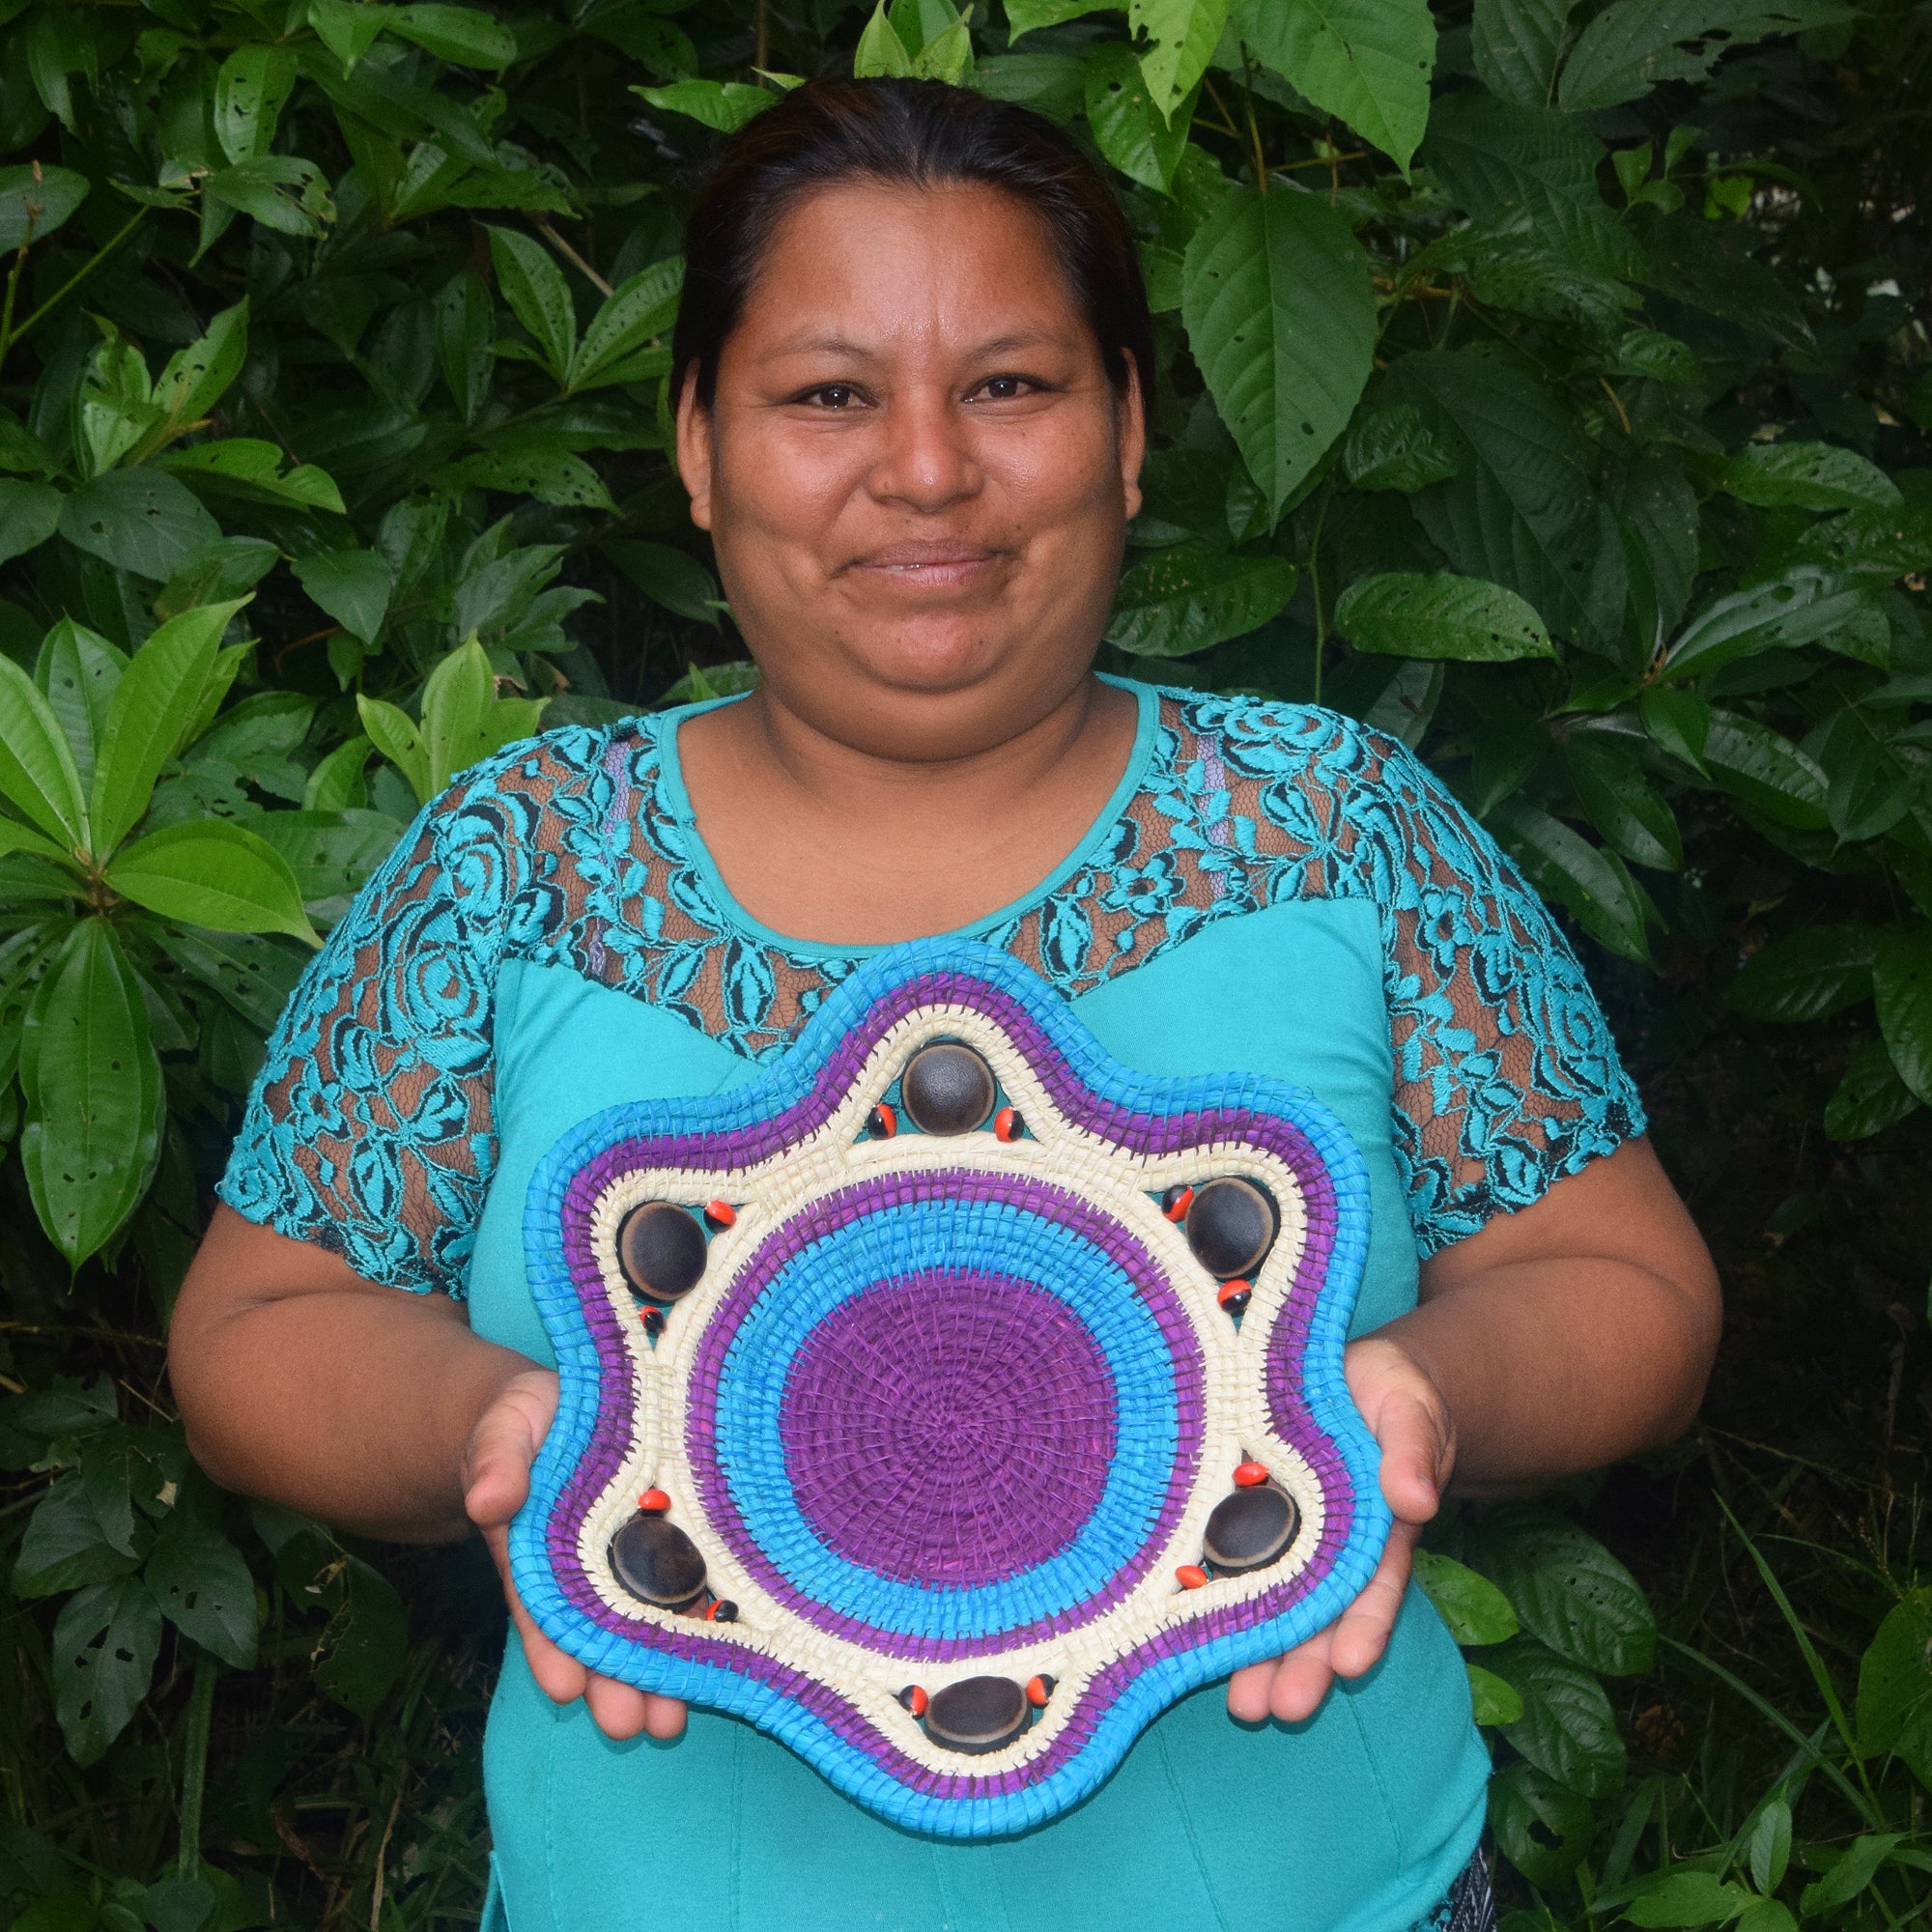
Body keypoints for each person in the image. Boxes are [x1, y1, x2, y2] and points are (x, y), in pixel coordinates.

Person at [170, 77, 1721, 1932]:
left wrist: (1425, 1396)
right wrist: (494, 1430)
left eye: (1010, 384)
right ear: (697, 444)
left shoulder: (1337, 829)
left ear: (1129, 431)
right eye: (829, 395)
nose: (925, 470)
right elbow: (254, 1331)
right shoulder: (520, 864)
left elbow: (1633, 1292)